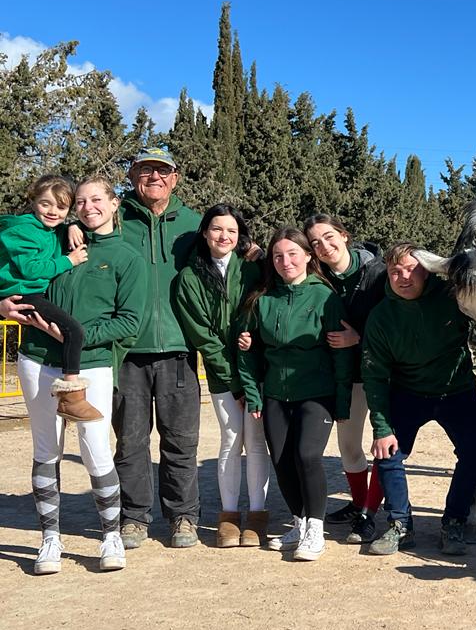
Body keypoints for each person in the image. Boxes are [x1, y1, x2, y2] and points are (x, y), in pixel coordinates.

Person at [18, 175, 146, 574]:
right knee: (46, 450)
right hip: (37, 358)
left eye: (97, 200)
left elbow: (130, 322)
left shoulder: (127, 257)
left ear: (114, 204)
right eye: (81, 201)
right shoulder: (54, 240)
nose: (88, 207)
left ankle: (110, 537)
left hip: (90, 365)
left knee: (95, 447)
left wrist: (82, 335)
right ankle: (49, 540)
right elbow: (15, 276)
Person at [360, 242, 476, 557]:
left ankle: (454, 522)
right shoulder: (381, 318)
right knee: (388, 453)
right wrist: (380, 425)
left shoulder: (452, 297)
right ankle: (400, 525)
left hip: (456, 389)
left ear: (426, 271)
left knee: (474, 452)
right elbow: (375, 375)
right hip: (408, 392)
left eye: (411, 269)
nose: (403, 277)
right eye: (394, 272)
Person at [237, 228, 349, 562]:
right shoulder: (262, 298)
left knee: (307, 455)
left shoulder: (325, 297)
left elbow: (341, 353)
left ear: (308, 257)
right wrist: (253, 395)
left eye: (293, 254)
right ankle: (298, 524)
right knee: (282, 460)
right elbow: (246, 348)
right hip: (275, 393)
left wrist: (342, 401)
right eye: (278, 256)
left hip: (317, 392)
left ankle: (316, 529)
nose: (286, 262)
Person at [112, 147, 203, 549]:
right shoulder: (113, 220)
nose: (154, 177)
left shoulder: (193, 225)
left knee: (180, 442)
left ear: (175, 178)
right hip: (126, 351)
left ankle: (183, 517)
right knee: (130, 441)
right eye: (146, 170)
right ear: (132, 176)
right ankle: (133, 518)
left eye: (162, 171)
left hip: (179, 349)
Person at [173, 204, 270, 548]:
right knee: (231, 438)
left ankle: (257, 515)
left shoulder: (254, 270)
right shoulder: (189, 278)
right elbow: (203, 337)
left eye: (231, 230)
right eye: (217, 229)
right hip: (221, 375)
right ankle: (229, 515)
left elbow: (270, 311)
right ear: (204, 232)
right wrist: (233, 380)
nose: (224, 236)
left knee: (257, 441)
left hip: (259, 370)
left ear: (240, 236)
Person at [304, 214, 387, 544]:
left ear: (344, 235)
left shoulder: (379, 272)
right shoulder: (318, 278)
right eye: (315, 242)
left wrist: (361, 339)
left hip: (381, 373)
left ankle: (370, 512)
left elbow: (397, 321)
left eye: (328, 237)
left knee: (384, 444)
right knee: (349, 446)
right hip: (345, 376)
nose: (324, 246)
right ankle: (357, 503)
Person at [0, 175, 101, 422]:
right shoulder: (22, 231)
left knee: (64, 332)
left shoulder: (52, 229)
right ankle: (72, 396)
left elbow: (60, 229)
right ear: (33, 200)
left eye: (61, 207)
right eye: (46, 204)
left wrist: (74, 225)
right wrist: (69, 260)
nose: (53, 212)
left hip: (34, 293)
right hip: (23, 294)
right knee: (74, 331)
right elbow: (31, 268)